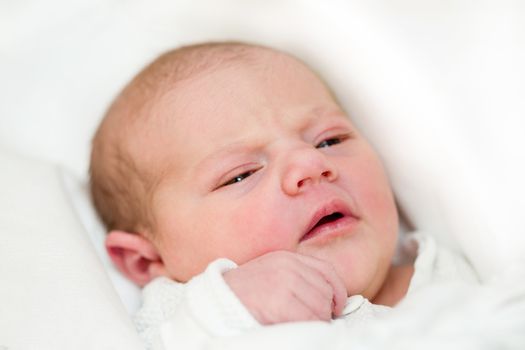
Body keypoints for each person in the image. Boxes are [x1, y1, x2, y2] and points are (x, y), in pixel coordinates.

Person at [89, 42, 477, 349]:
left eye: (330, 140)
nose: (310, 164)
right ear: (146, 261)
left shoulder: (455, 274)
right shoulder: (189, 317)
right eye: (241, 175)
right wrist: (230, 308)